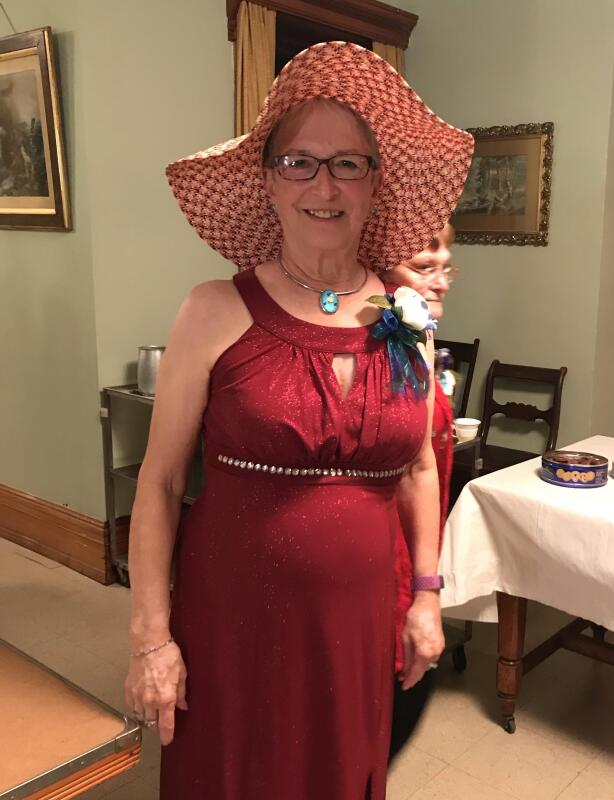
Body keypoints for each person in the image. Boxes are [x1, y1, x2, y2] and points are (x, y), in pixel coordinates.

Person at [124, 42, 472, 800]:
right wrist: (151, 638)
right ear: (269, 182)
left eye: (348, 163)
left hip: (358, 622)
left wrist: (426, 595)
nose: (325, 184)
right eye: (299, 162)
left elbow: (419, 468)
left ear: (375, 184)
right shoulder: (212, 310)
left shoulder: (407, 319)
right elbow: (160, 482)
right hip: (231, 616)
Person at [386, 224, 459, 760]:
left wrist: (428, 589)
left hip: (415, 563)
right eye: (424, 267)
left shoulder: (418, 338)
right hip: (381, 564)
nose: (442, 281)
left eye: (447, 267)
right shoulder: (379, 339)